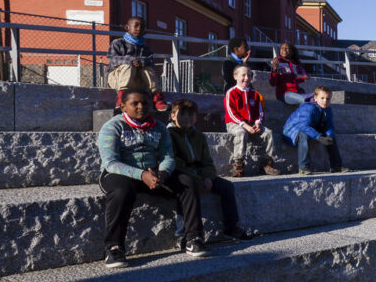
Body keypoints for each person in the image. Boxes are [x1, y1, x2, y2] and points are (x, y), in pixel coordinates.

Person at [98, 88, 206, 268]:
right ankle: (114, 247)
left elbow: (168, 157)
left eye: (146, 103)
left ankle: (193, 237)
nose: (141, 107)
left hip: (153, 173)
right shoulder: (112, 126)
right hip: (119, 174)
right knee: (121, 191)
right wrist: (141, 175)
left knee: (187, 182)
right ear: (123, 106)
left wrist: (162, 173)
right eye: (135, 103)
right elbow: (110, 162)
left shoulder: (159, 127)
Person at [167, 99, 256, 242]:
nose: (187, 119)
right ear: (173, 116)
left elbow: (207, 161)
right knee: (186, 187)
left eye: (191, 115)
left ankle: (231, 228)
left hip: (200, 174)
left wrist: (207, 176)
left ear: (196, 117)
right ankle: (182, 232)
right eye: (182, 115)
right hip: (181, 174)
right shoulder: (169, 134)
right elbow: (174, 161)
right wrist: (198, 178)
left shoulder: (199, 136)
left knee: (227, 187)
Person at [224, 64, 282, 177]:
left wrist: (257, 123)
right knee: (241, 133)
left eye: (249, 75)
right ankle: (238, 164)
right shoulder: (231, 92)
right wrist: (245, 125)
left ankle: (267, 164)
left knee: (268, 133)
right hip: (235, 123)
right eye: (243, 75)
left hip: (252, 124)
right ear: (235, 76)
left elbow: (259, 112)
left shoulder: (254, 94)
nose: (246, 78)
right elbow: (231, 112)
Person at [106, 17, 167, 111]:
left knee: (147, 67)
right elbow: (112, 58)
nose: (139, 28)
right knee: (128, 65)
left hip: (137, 81)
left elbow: (152, 62)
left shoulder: (146, 49)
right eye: (136, 26)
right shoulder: (118, 43)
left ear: (145, 31)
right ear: (127, 27)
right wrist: (130, 60)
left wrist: (143, 61)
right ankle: (122, 98)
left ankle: (157, 98)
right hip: (118, 80)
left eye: (142, 27)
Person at [284, 86, 347, 174]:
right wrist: (318, 137)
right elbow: (303, 126)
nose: (325, 101)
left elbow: (329, 125)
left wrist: (329, 135)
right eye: (322, 98)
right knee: (303, 134)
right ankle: (303, 167)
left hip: (312, 128)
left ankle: (336, 166)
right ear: (315, 98)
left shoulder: (328, 109)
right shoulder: (308, 108)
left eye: (328, 99)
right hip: (292, 131)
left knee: (331, 138)